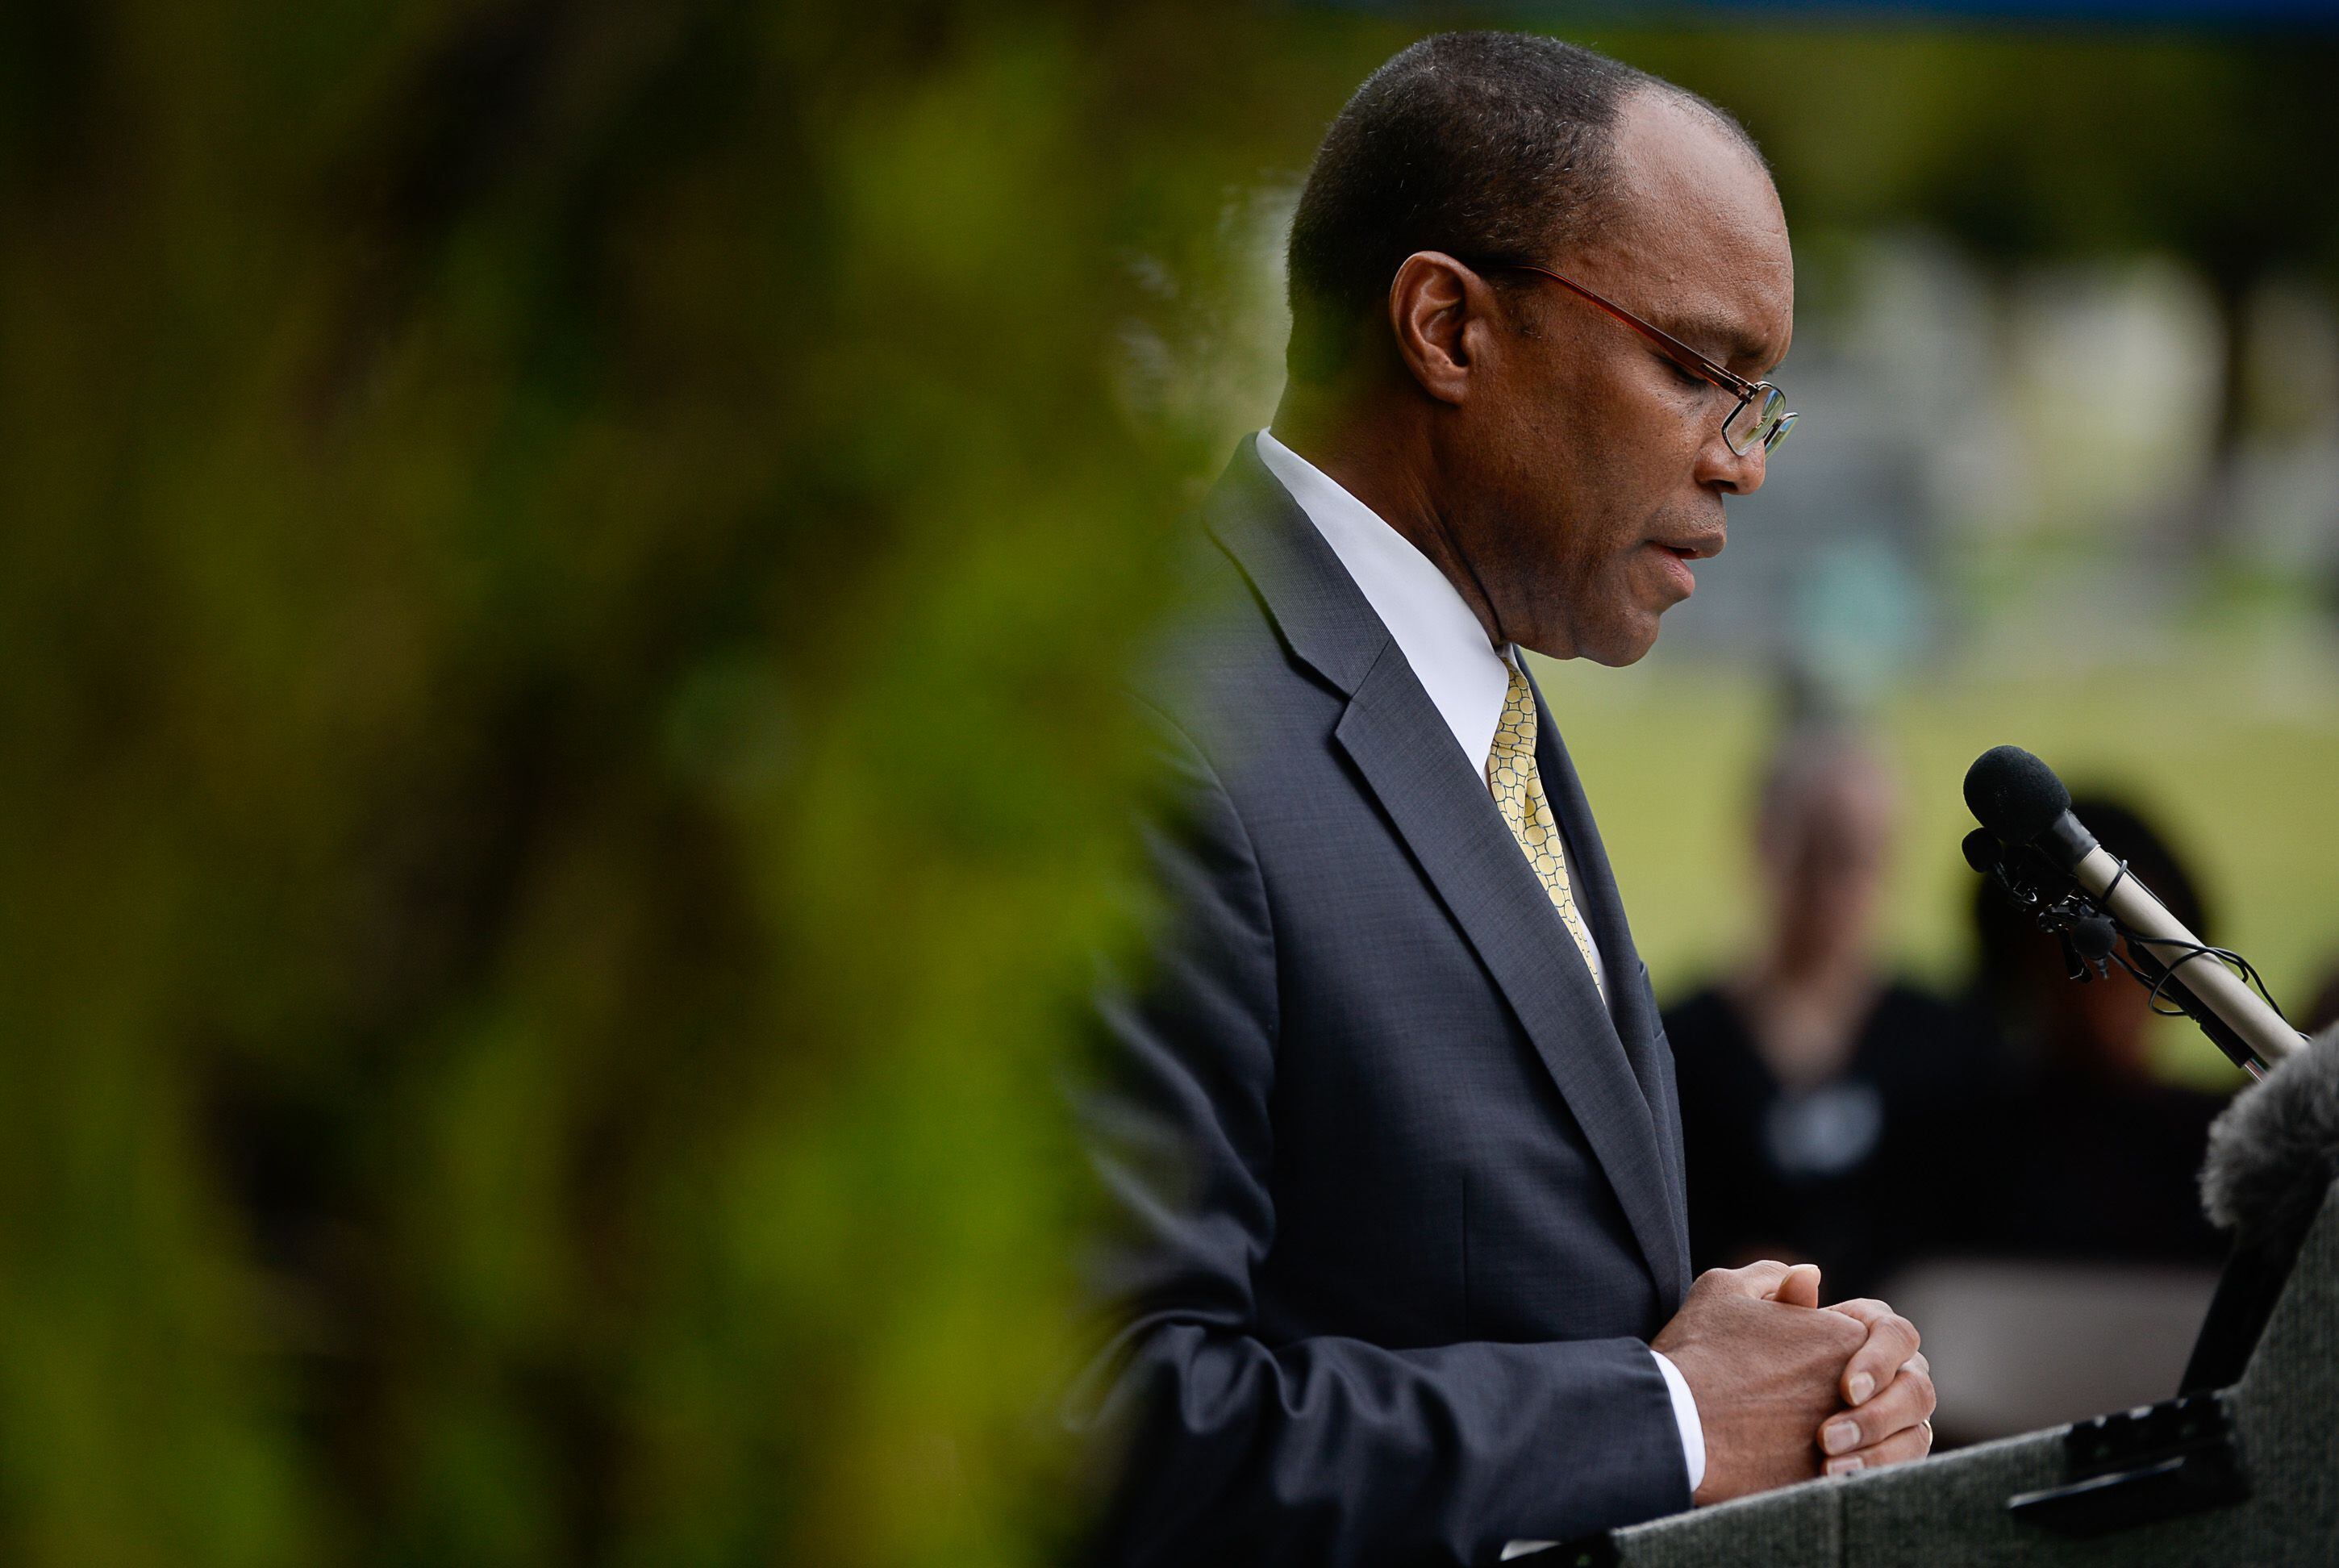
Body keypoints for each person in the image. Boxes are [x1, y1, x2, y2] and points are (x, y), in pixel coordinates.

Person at [1070, 34, 1934, 1566]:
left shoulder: (1476, 684)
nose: (1742, 461)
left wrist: (1773, 1374)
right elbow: (1118, 1421)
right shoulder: (1166, 736)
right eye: (1694, 368)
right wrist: (1665, 1414)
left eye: (1761, 397)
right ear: (1448, 326)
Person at [1664, 718, 1999, 1301]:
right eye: (1816, 849)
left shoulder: (1948, 1047)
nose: (1834, 884)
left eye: (1859, 855)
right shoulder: (1677, 1048)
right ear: (1764, 842)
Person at [1959, 795, 2240, 1264]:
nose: (2105, 971)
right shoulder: (1949, 1152)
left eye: (2134, 941)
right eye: (2072, 935)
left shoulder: (2228, 1152)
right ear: (2020, 957)